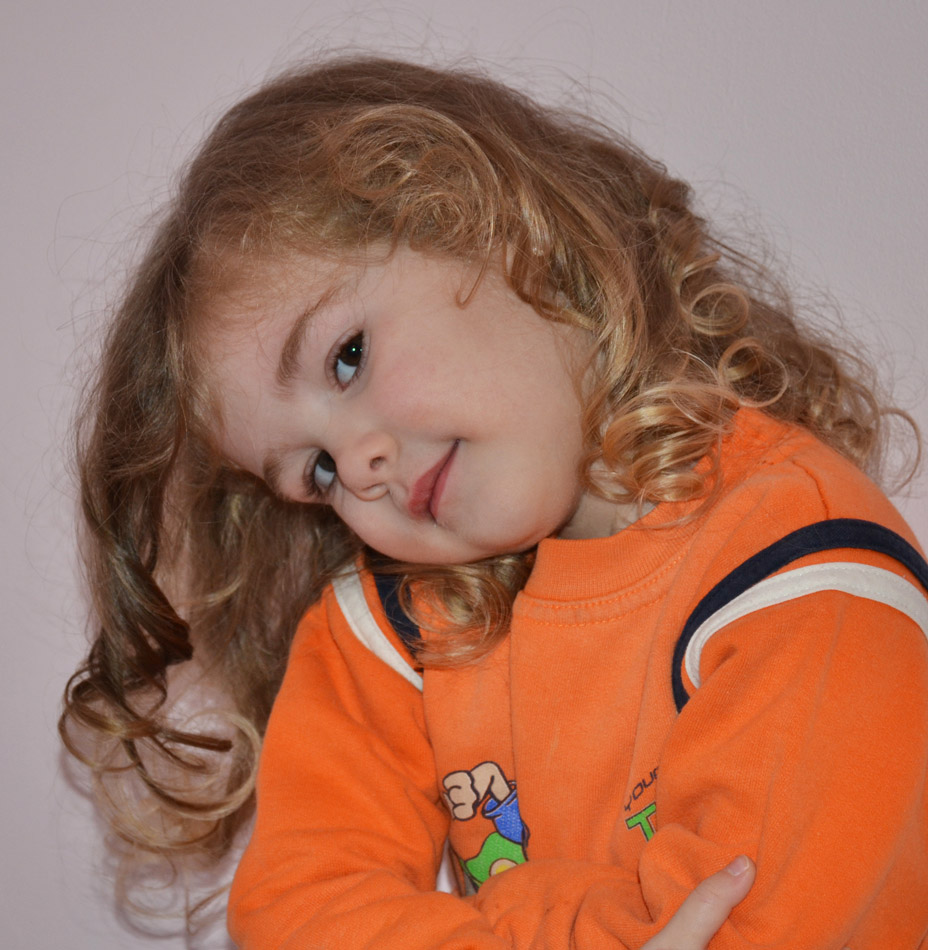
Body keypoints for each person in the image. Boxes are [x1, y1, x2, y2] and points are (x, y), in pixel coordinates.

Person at [59, 56, 928, 948]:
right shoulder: (392, 631)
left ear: (495, 226)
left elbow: (749, 925)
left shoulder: (805, 568)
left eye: (348, 357)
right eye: (315, 471)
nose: (359, 465)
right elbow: (293, 913)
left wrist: (503, 918)